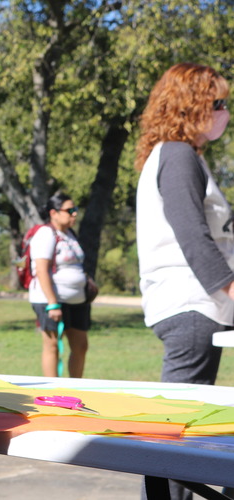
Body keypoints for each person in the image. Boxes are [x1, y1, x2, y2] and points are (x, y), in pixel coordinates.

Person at [135, 63, 231, 500]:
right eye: (218, 103)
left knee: (180, 432)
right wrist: (231, 288)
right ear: (191, 105)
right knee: (171, 437)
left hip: (192, 308)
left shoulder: (178, 155)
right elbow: (192, 234)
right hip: (192, 307)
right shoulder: (175, 155)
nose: (225, 111)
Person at [28, 193, 91, 378]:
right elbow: (41, 270)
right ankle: (52, 391)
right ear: (54, 213)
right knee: (52, 345)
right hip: (51, 300)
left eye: (76, 210)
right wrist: (52, 303)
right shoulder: (46, 233)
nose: (74, 214)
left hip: (77, 301)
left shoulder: (70, 234)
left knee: (81, 346)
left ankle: (75, 388)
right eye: (70, 210)